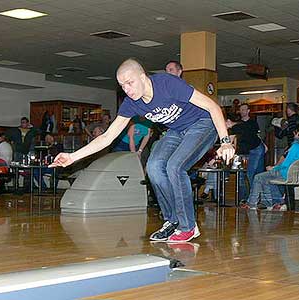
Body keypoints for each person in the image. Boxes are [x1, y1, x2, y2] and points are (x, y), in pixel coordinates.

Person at [50, 58, 234, 243]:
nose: (127, 90)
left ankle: (188, 227)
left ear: (143, 77)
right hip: (176, 130)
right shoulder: (131, 103)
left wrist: (225, 141)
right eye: (123, 86)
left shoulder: (167, 84)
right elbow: (107, 137)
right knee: (153, 167)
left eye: (130, 83)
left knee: (175, 167)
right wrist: (72, 157)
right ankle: (172, 221)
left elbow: (212, 106)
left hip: (203, 125)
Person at [243, 122, 299, 210]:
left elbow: (286, 163)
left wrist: (274, 168)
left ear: (298, 133)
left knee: (258, 177)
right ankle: (276, 202)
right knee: (267, 180)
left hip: (285, 173)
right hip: (296, 175)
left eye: (294, 132)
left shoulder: (295, 146)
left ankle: (252, 204)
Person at [226, 103, 265, 201]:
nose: (242, 111)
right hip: (246, 151)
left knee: (251, 174)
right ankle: (244, 198)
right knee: (243, 175)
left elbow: (248, 130)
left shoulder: (252, 123)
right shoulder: (238, 124)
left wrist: (232, 124)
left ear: (248, 111)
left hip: (256, 149)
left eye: (244, 109)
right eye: (241, 109)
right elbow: (231, 137)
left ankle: (253, 199)